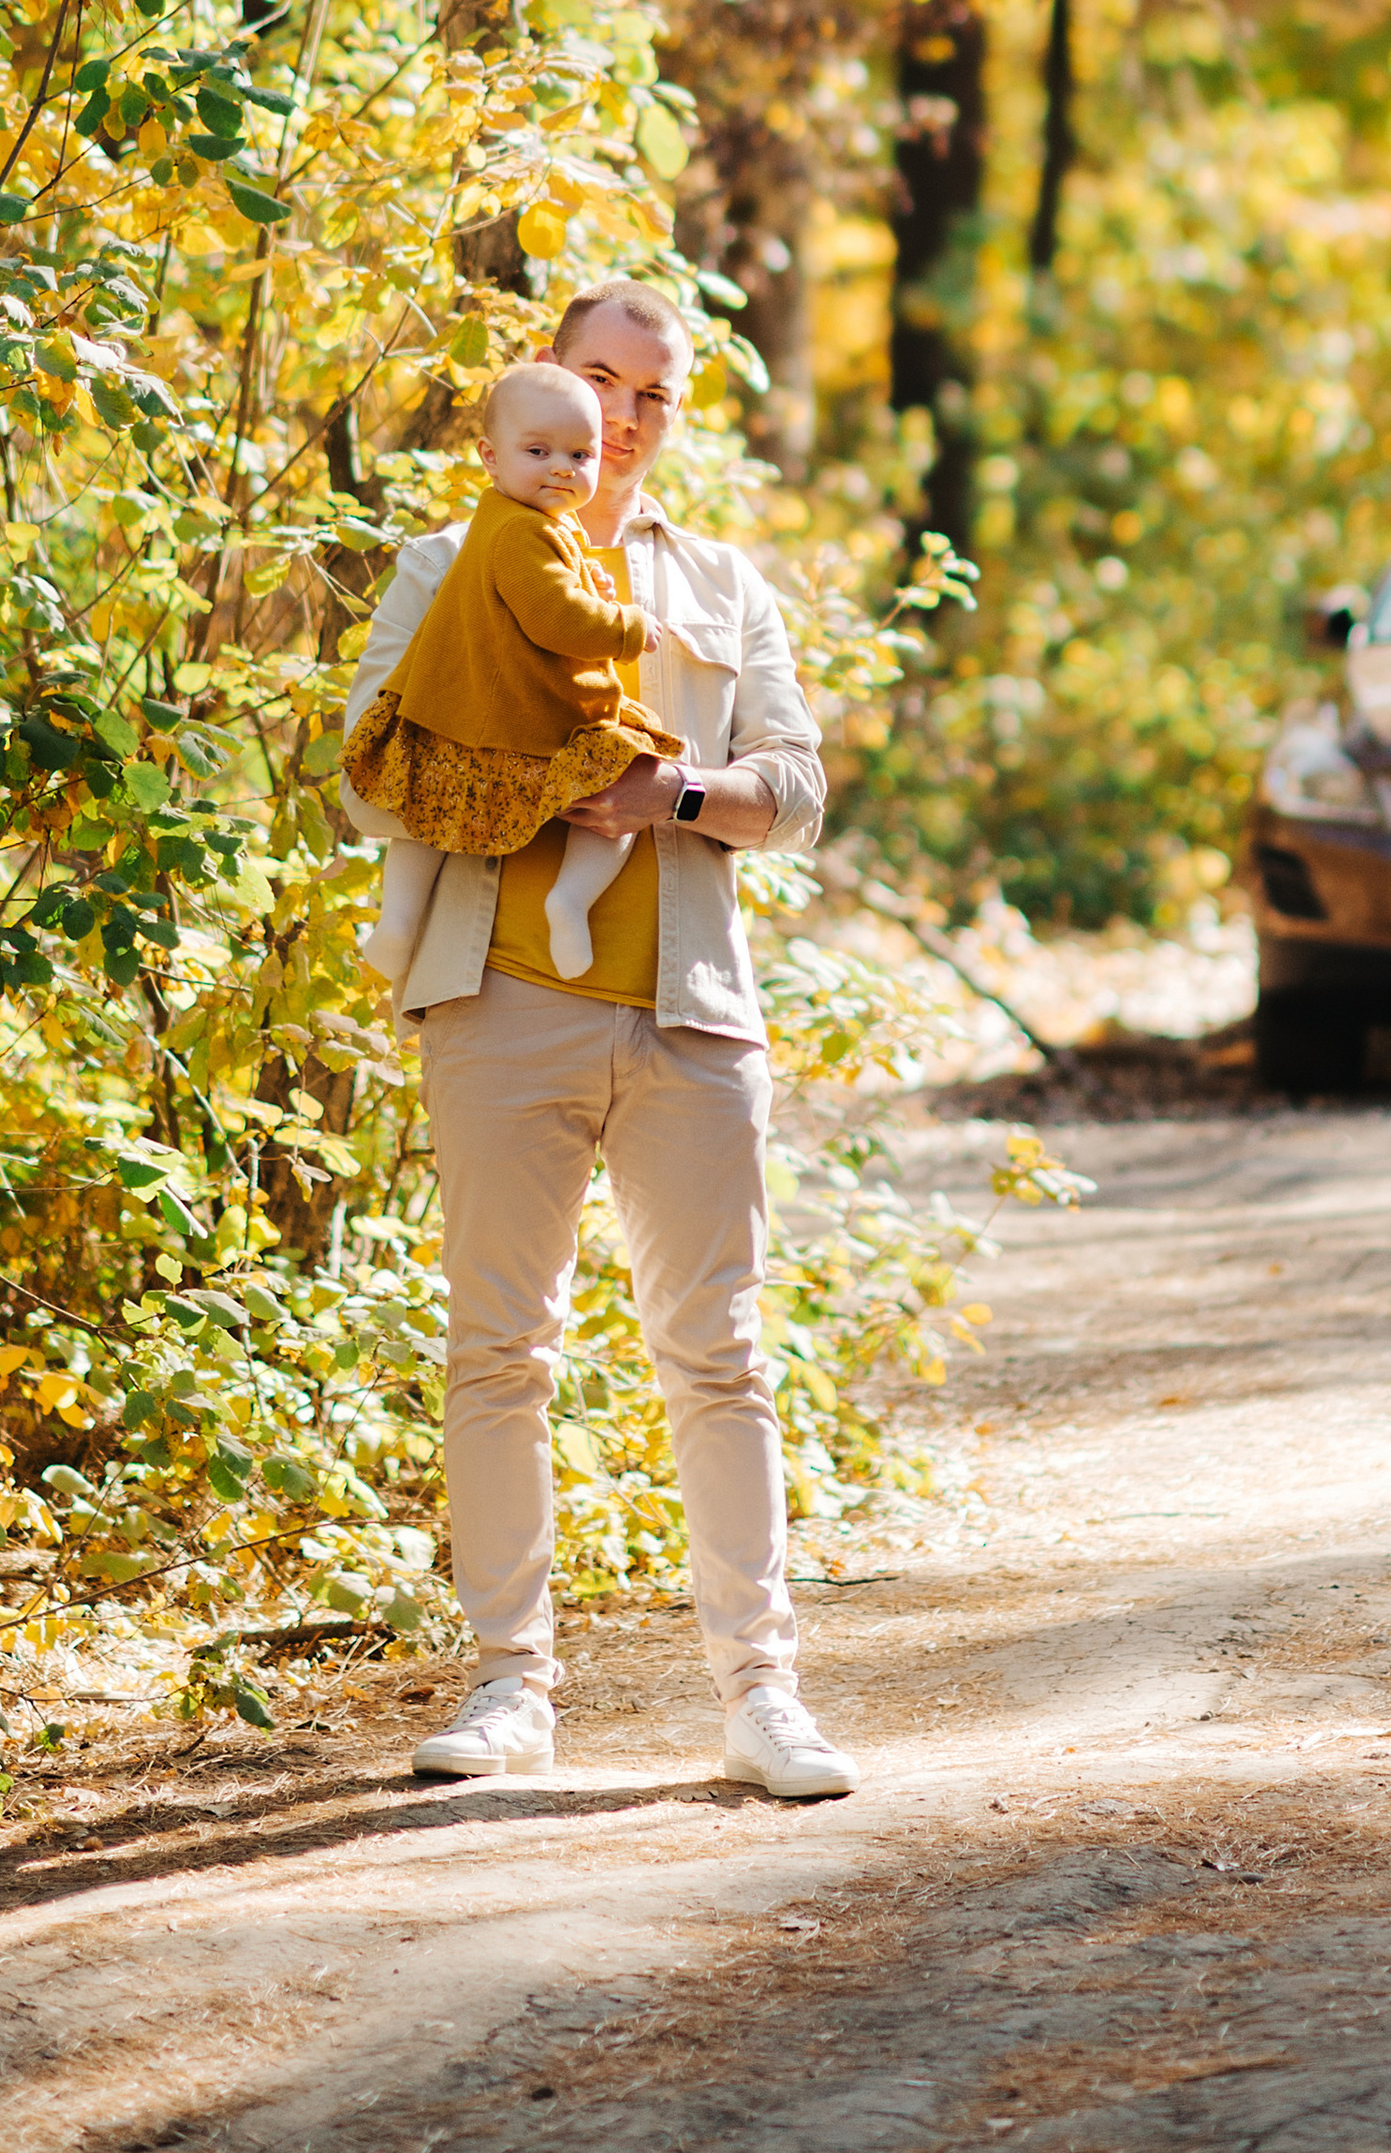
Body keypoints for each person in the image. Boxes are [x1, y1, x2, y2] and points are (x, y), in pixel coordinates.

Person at [341, 277, 855, 1801]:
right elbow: (368, 779)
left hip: (691, 1011)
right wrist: (510, 761)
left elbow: (799, 790)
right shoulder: (446, 562)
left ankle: (763, 1692)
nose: (622, 420)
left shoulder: (719, 581)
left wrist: (667, 793)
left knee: (723, 1353)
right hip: (500, 1004)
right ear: (537, 394)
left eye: (656, 394)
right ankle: (512, 1686)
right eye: (598, 383)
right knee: (499, 1348)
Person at [342, 362, 682, 985]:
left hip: (453, 712)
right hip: (513, 715)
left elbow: (556, 581)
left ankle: (397, 923)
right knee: (628, 764)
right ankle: (571, 898)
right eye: (538, 451)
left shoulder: (520, 519)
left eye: (581, 454)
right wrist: (627, 626)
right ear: (490, 457)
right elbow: (555, 616)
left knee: (428, 811)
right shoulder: (521, 531)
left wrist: (591, 580)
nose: (561, 466)